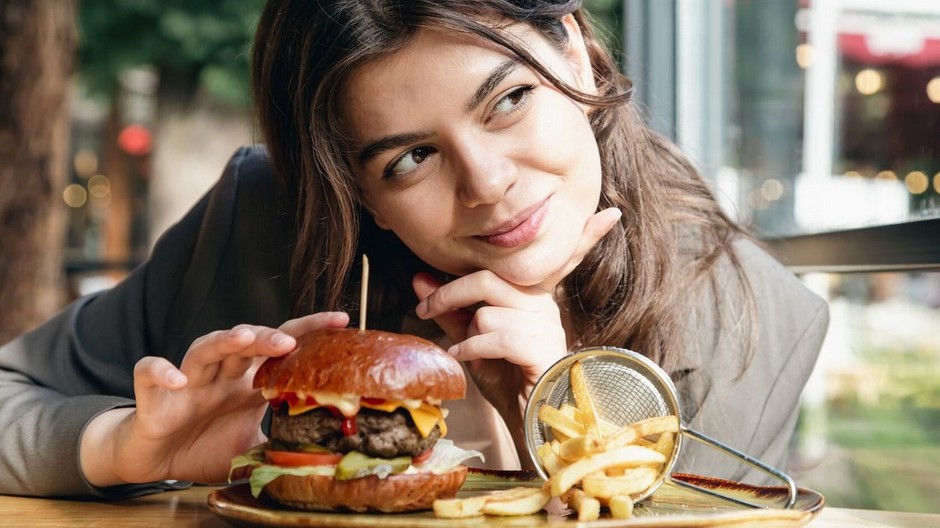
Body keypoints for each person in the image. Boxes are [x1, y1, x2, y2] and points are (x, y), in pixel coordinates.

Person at [0, 0, 828, 498]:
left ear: (574, 49)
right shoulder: (259, 222)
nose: (487, 183)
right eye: (409, 158)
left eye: (506, 100)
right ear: (356, 190)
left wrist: (562, 414)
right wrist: (125, 447)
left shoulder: (746, 311)